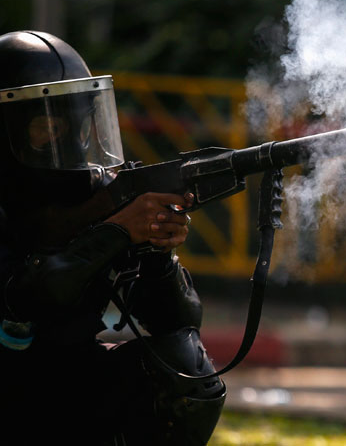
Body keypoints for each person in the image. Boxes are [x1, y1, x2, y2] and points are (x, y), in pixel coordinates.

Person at [0, 30, 226, 445]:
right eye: (46, 126)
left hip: (69, 383)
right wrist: (118, 231)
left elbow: (177, 322)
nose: (63, 141)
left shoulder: (94, 192)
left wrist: (156, 250)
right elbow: (29, 294)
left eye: (75, 125)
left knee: (184, 368)